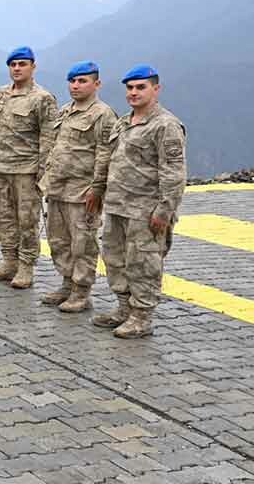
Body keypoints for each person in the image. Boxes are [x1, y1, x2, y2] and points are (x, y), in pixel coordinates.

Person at [93, 65, 186, 338]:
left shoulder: (166, 125)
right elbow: (110, 161)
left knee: (144, 263)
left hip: (145, 211)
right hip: (117, 205)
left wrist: (164, 210)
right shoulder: (124, 122)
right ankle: (124, 308)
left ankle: (142, 317)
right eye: (130, 88)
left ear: (155, 89)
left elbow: (173, 173)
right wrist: (98, 191)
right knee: (115, 259)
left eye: (140, 87)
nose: (134, 93)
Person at [39, 60, 117, 313]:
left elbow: (105, 154)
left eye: (82, 81)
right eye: (72, 81)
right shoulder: (65, 111)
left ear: (96, 83)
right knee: (59, 240)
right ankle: (66, 283)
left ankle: (81, 292)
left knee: (82, 243)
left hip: (82, 191)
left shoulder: (103, 114)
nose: (75, 86)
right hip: (58, 188)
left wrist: (97, 188)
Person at [0, 46, 58, 289]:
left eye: (22, 64)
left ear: (33, 67)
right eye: (13, 65)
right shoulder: (1, 95)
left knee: (27, 221)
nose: (17, 69)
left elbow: (48, 137)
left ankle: (26, 267)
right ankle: (9, 262)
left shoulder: (43, 98)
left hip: (27, 170)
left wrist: (42, 171)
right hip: (2, 169)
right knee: (2, 218)